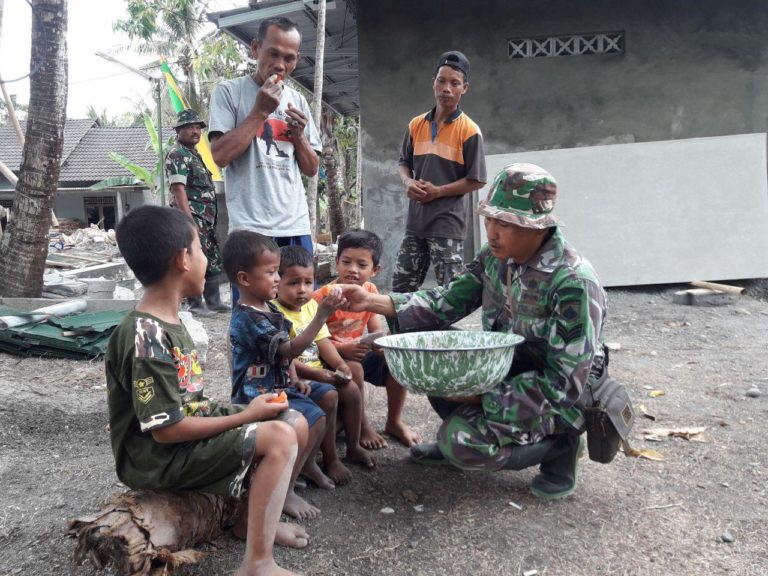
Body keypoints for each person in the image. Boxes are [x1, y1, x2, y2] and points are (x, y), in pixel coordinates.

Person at [340, 163, 607, 500]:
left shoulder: (573, 282)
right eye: (489, 219)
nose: (492, 231)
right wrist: (372, 301)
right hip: (508, 364)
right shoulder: (495, 257)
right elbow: (445, 301)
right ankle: (477, 428)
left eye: (505, 223)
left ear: (537, 227)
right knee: (437, 356)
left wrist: (480, 397)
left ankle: (559, 446)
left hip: (555, 392)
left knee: (462, 442)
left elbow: (566, 381)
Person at [106, 205, 306, 576]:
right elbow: (166, 430)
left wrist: (248, 411)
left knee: (290, 417)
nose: (206, 260)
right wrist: (246, 415)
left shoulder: (170, 321)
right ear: (182, 259)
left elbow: (190, 404)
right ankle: (257, 563)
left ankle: (252, 522)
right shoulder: (145, 336)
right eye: (200, 250)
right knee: (277, 435)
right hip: (155, 458)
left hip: (181, 439)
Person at [223, 230, 345, 520]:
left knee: (320, 413)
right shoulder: (249, 318)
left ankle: (305, 465)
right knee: (309, 420)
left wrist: (296, 377)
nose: (277, 279)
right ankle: (286, 490)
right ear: (244, 279)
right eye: (270, 273)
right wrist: (320, 316)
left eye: (277, 272)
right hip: (257, 397)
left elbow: (281, 354)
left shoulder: (266, 307)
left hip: (278, 387)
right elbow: (288, 348)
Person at [208, 16, 321, 305]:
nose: (281, 65)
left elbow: (311, 169)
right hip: (250, 228)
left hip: (294, 225)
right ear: (255, 49)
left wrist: (299, 137)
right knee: (252, 315)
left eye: (289, 58)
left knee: (298, 310)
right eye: (273, 53)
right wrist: (260, 111)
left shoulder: (298, 100)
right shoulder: (229, 92)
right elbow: (220, 155)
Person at [274, 246, 376, 484]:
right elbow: (286, 358)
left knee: (351, 388)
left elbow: (323, 342)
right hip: (296, 374)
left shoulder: (311, 306)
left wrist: (340, 365)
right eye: (293, 283)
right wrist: (320, 375)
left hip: (319, 371)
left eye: (308, 282)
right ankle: (330, 459)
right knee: (329, 396)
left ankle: (353, 446)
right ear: (277, 283)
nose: (302, 290)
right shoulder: (274, 313)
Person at [313, 230, 421, 449]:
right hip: (330, 358)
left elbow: (375, 329)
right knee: (356, 369)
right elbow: (314, 340)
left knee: (396, 358)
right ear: (336, 263)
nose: (352, 270)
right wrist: (343, 350)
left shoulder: (370, 290)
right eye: (346, 262)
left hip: (356, 351)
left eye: (362, 265)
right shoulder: (323, 296)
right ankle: (363, 426)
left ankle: (394, 422)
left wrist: (380, 345)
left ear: (375, 270)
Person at [392, 50, 487, 293]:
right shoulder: (416, 125)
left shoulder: (469, 131)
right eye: (442, 80)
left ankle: (445, 331)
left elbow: (477, 180)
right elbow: (404, 162)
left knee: (450, 292)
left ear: (464, 88)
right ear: (433, 82)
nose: (447, 88)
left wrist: (438, 192)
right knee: (402, 286)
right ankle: (402, 331)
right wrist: (408, 182)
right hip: (416, 221)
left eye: (454, 83)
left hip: (448, 224)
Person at [164, 108, 229, 316]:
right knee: (192, 258)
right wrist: (188, 221)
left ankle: (214, 301)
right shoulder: (177, 154)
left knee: (211, 256)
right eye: (189, 127)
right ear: (179, 131)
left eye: (197, 127)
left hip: (206, 219)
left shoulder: (194, 155)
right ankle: (196, 304)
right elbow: (178, 189)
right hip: (193, 217)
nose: (195, 131)